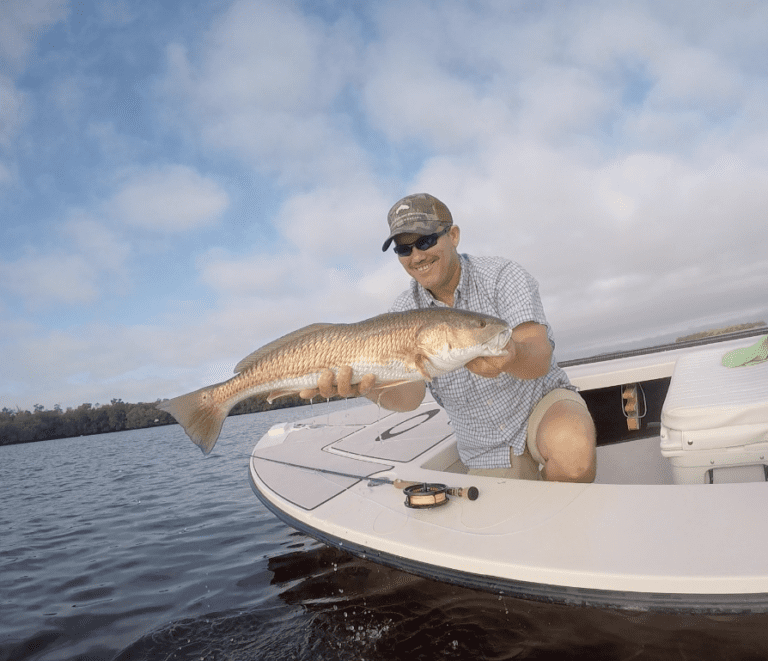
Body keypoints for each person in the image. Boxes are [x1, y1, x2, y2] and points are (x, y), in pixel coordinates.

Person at [300, 193, 596, 482]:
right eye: (404, 249)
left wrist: (513, 356)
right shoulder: (401, 312)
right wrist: (363, 387)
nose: (417, 256)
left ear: (453, 235)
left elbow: (539, 354)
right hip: (483, 448)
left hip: (542, 407)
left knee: (572, 450)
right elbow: (409, 398)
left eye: (426, 241)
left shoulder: (502, 275)